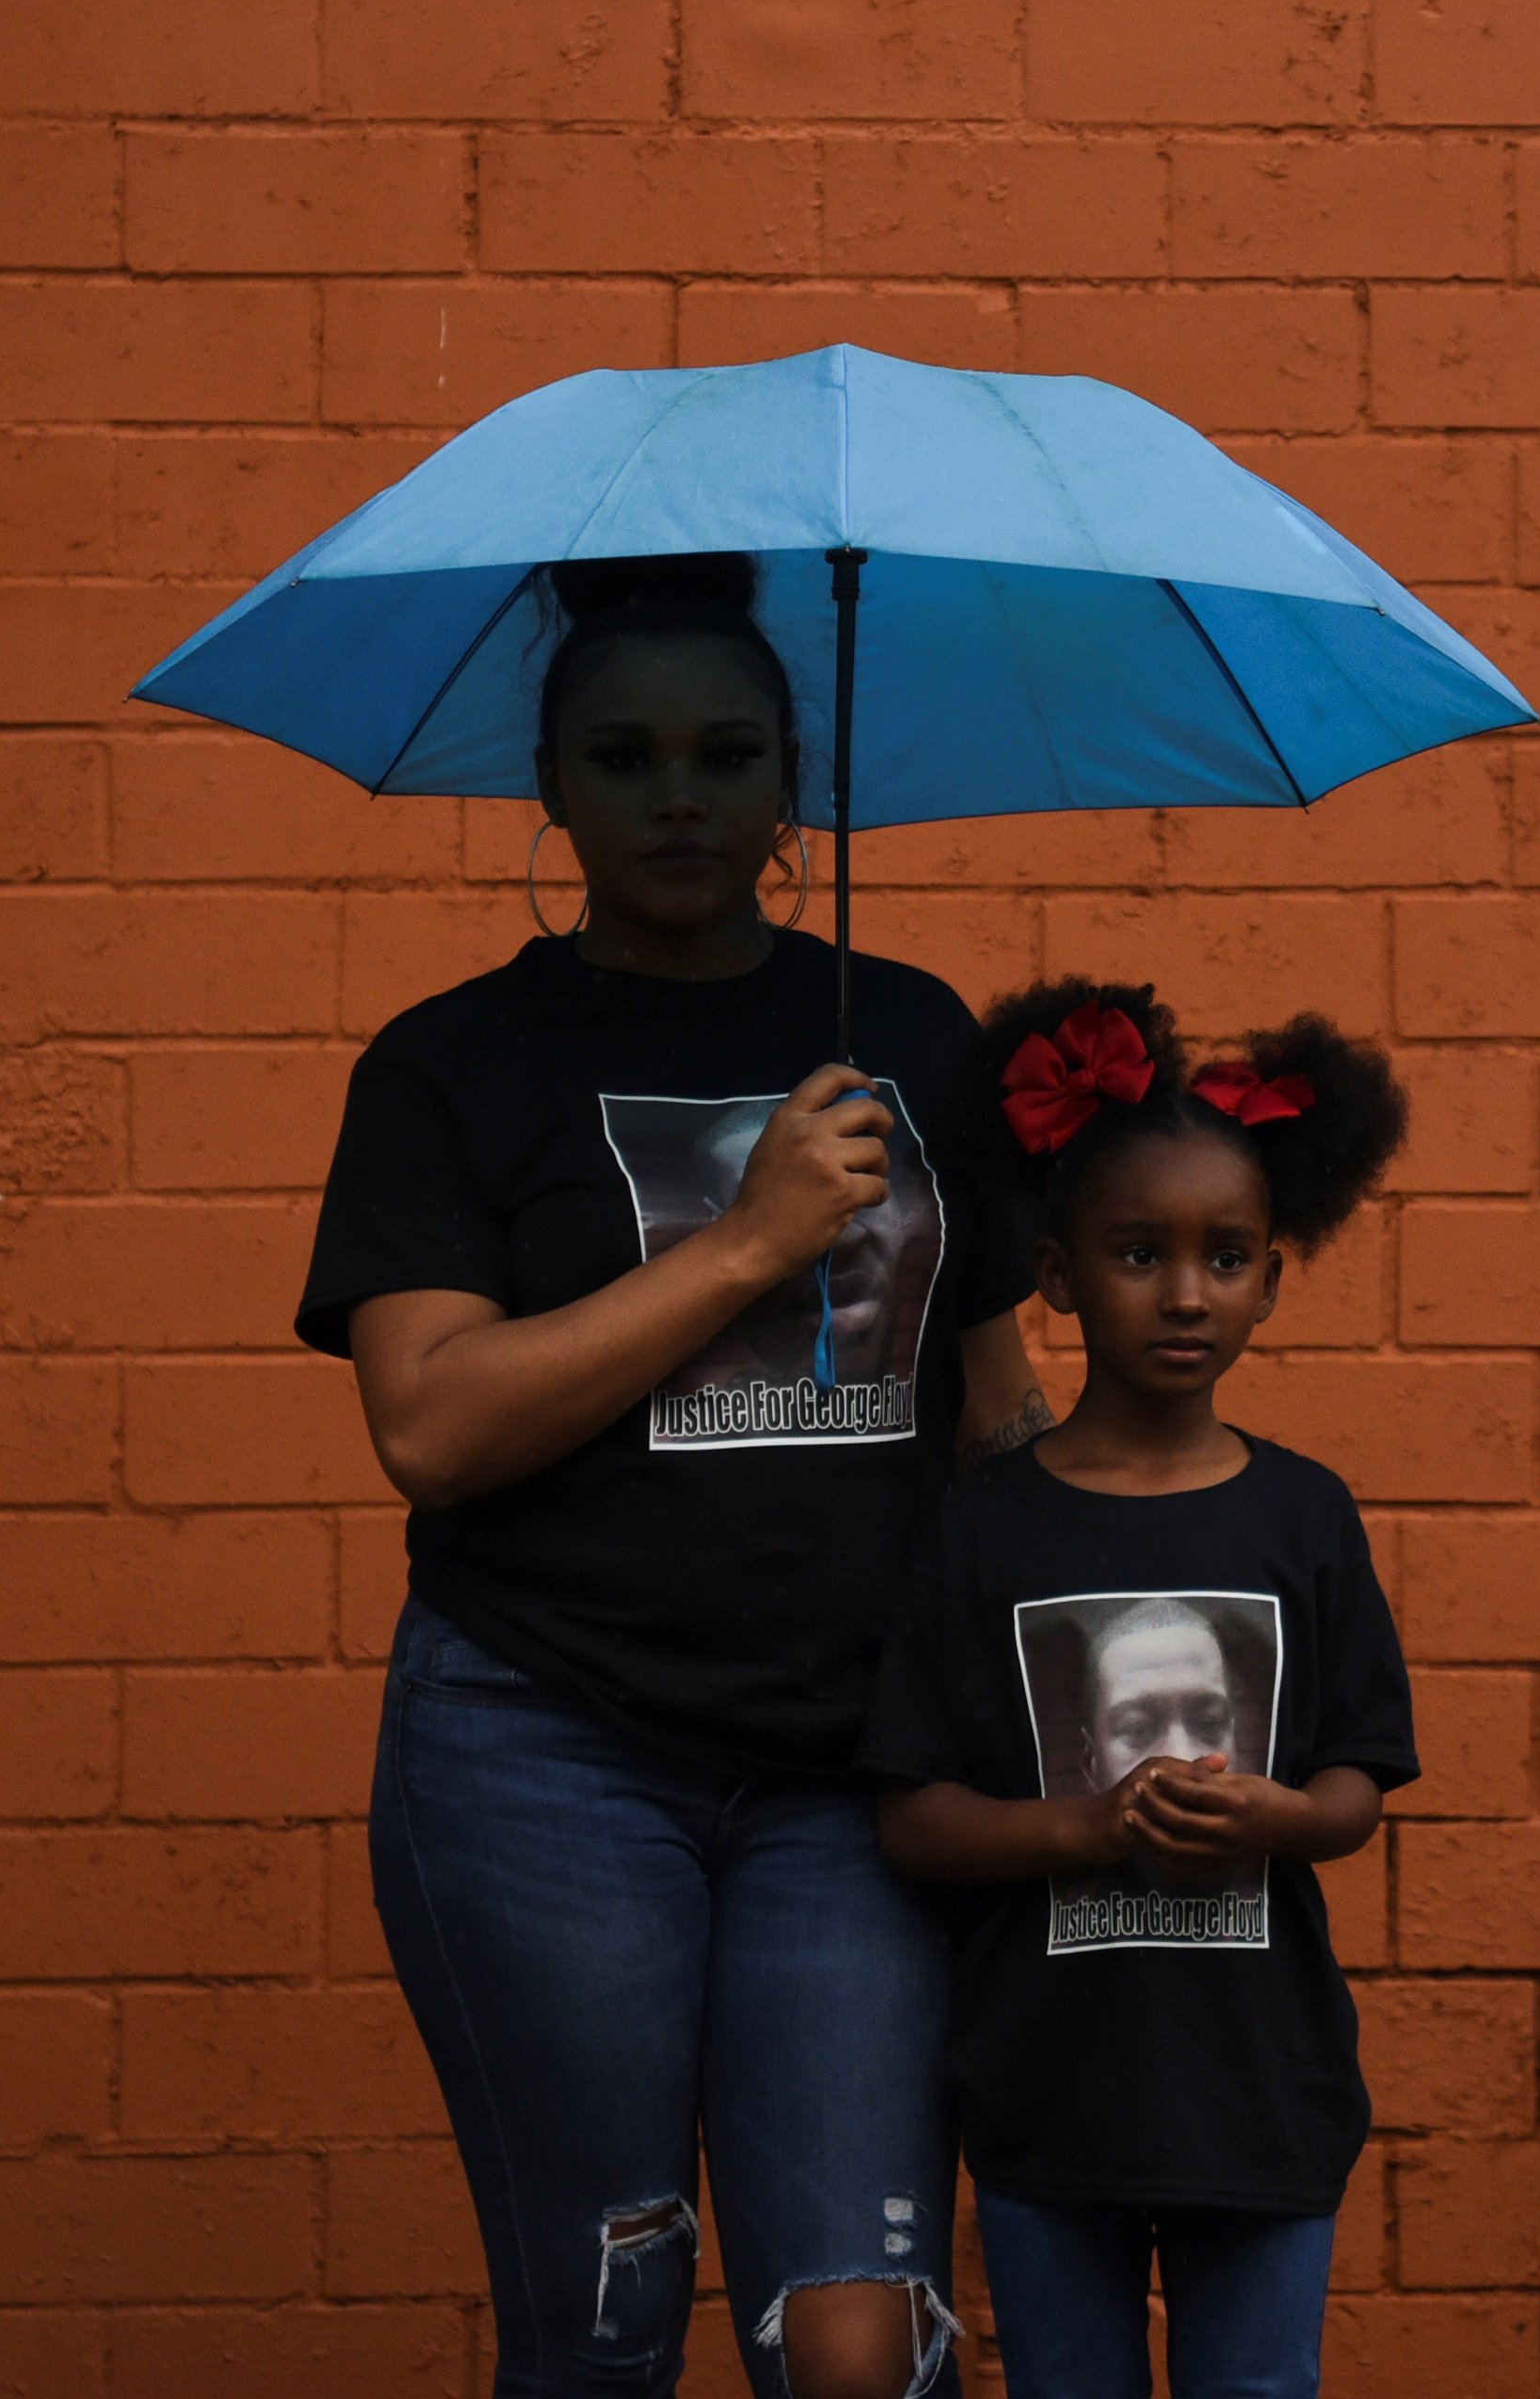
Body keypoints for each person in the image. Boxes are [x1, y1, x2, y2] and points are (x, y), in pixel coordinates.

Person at [300, 553, 1052, 2399]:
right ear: (547, 781)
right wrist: (746, 1241)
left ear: (791, 781)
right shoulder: (450, 1067)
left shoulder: (911, 1034)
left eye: (727, 752)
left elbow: (996, 1412)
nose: (678, 794)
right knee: (606, 2324)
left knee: (863, 2344)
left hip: (849, 1776)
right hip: (541, 1752)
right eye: (622, 755)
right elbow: (433, 1425)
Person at [857, 980, 1418, 2399]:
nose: (1184, 1292)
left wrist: (1271, 1816)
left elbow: (1358, 1785)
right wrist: (1082, 1832)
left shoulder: (1305, 1516)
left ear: (1273, 1277)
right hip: (1051, 2093)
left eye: (1227, 1256)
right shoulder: (982, 1526)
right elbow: (913, 1818)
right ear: (1052, 1273)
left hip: (1264, 2090)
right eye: (1136, 1252)